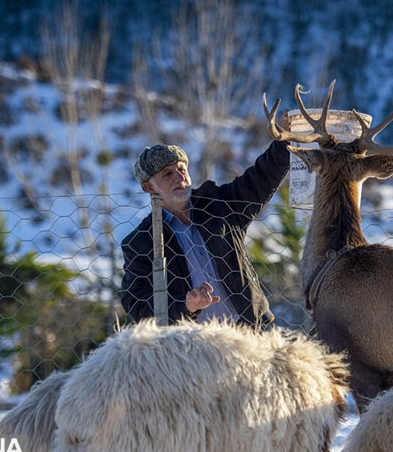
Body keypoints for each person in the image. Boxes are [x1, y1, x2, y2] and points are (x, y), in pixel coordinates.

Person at [120, 136, 291, 328]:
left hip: (247, 333)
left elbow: (259, 180)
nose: (180, 177)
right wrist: (185, 305)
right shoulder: (141, 242)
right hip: (194, 347)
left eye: (182, 169)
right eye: (167, 174)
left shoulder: (218, 204)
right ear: (149, 187)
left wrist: (284, 142)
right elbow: (136, 304)